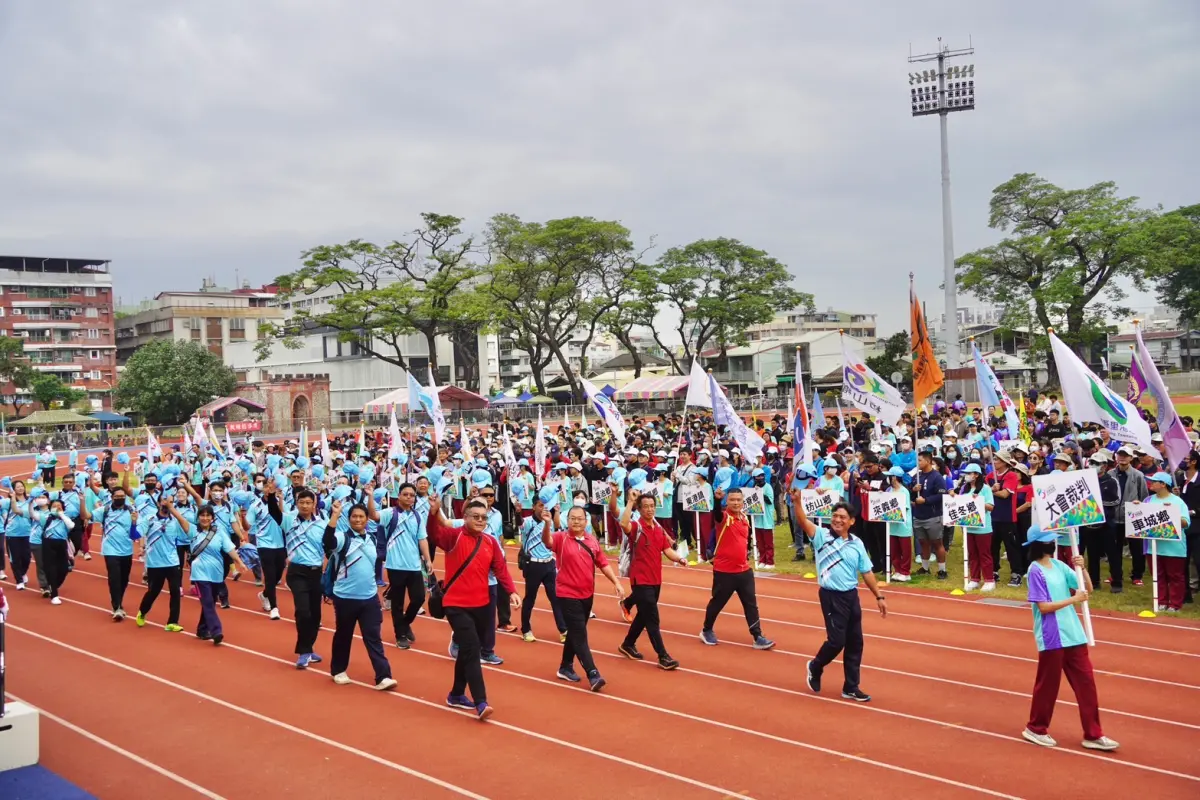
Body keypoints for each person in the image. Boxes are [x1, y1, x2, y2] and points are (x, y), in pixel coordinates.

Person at [1021, 526, 1119, 751]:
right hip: (1052, 635)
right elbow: (1044, 607)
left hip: (1074, 633)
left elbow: (1087, 589)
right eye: (1049, 541)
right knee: (1048, 685)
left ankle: (1094, 734)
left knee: (1087, 685)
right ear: (1040, 545)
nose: (1053, 543)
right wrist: (1073, 600)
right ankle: (1036, 728)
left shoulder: (1059, 565)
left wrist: (1082, 569)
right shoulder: (1035, 570)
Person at [426, 496, 520, 721]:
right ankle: (481, 701)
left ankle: (456, 694)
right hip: (455, 605)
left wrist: (513, 591)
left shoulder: (489, 542)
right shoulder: (453, 537)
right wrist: (433, 513)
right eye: (475, 517)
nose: (480, 520)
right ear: (465, 518)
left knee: (468, 651)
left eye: (483, 517)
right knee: (472, 648)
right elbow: (434, 534)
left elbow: (501, 569)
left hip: (481, 604)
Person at [790, 496, 886, 701]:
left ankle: (851, 686)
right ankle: (815, 666)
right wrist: (797, 503)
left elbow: (867, 572)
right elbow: (803, 522)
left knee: (855, 642)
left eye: (842, 517)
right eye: (834, 516)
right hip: (831, 596)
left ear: (852, 521)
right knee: (836, 641)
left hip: (851, 596)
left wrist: (879, 596)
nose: (837, 520)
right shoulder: (821, 536)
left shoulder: (857, 543)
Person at [543, 505, 626, 691]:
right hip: (567, 593)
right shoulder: (560, 538)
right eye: (572, 518)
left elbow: (603, 563)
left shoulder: (592, 541)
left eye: (580, 518)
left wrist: (616, 582)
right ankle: (593, 673)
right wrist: (547, 524)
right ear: (568, 520)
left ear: (586, 521)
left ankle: (565, 667)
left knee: (575, 631)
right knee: (580, 634)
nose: (576, 521)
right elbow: (547, 541)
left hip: (587, 594)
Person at [324, 499, 397, 690]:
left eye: (361, 516)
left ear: (367, 519)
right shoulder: (342, 538)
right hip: (345, 598)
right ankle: (338, 670)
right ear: (348, 519)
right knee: (344, 635)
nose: (358, 519)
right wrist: (334, 516)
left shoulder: (372, 539)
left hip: (370, 597)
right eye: (354, 516)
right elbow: (328, 541)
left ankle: (383, 676)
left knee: (373, 636)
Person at [698, 488, 776, 651]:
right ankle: (706, 630)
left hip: (744, 571)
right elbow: (717, 516)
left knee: (751, 604)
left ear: (743, 501)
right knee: (718, 602)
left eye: (738, 500)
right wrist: (717, 501)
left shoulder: (744, 518)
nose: (735, 503)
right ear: (727, 501)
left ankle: (757, 636)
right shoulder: (724, 517)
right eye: (732, 500)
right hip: (725, 571)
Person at [616, 489, 685, 670]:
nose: (649, 510)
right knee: (653, 619)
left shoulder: (658, 528)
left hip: (656, 580)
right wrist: (630, 502)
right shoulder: (636, 526)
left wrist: (679, 558)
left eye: (652, 506)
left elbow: (666, 550)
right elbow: (623, 524)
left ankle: (628, 644)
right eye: (645, 506)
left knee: (644, 615)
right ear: (639, 509)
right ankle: (663, 656)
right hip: (640, 580)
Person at [178, 505, 249, 646]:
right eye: (202, 515)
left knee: (210, 601)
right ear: (198, 517)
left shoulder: (220, 532)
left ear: (212, 518)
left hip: (216, 573)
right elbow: (180, 519)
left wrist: (240, 562)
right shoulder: (193, 531)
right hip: (199, 573)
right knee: (208, 602)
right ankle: (216, 630)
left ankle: (202, 629)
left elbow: (229, 548)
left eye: (208, 516)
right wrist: (169, 505)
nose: (205, 518)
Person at [378, 482, 431, 649]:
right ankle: (399, 635)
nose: (409, 497)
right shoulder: (389, 513)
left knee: (419, 598)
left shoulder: (417, 516)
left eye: (412, 495)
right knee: (398, 602)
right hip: (395, 565)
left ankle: (405, 623)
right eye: (405, 494)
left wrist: (428, 559)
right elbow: (373, 515)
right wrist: (372, 496)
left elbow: (422, 539)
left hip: (414, 565)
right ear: (399, 496)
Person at [518, 496, 567, 644]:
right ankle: (526, 630)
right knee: (530, 599)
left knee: (556, 598)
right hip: (533, 565)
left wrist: (556, 512)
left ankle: (563, 630)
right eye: (540, 505)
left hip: (549, 564)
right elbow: (519, 524)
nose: (543, 508)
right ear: (533, 507)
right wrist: (517, 512)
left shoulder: (549, 520)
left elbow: (558, 526)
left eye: (545, 506)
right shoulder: (528, 522)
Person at [134, 497, 187, 632]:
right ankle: (142, 611)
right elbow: (134, 535)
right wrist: (133, 523)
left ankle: (172, 622)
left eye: (170, 501)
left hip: (172, 562)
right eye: (164, 500)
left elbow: (187, 529)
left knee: (175, 592)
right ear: (158, 503)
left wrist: (174, 511)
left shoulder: (175, 521)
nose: (166, 503)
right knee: (153, 591)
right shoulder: (149, 519)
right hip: (155, 563)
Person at [1142, 471, 1191, 612]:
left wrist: (1170, 516)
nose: (1150, 483)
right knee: (1158, 575)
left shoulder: (1177, 501)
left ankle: (1175, 604)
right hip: (1154, 547)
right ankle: (1161, 601)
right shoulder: (1148, 500)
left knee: (1175, 576)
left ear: (1163, 484)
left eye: (1154, 481)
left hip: (1174, 548)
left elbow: (1185, 522)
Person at [94, 486, 138, 621]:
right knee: (114, 577)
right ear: (112, 497)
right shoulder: (105, 510)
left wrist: (135, 522)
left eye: (122, 496)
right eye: (117, 496)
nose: (120, 498)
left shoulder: (131, 511)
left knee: (124, 579)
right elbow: (87, 516)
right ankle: (117, 606)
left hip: (126, 550)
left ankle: (119, 600)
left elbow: (134, 535)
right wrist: (83, 501)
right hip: (110, 550)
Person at [912, 451, 947, 579]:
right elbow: (911, 493)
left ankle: (942, 570)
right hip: (918, 515)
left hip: (933, 515)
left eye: (920, 460)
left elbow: (942, 495)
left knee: (937, 543)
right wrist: (914, 490)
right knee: (923, 543)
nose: (918, 463)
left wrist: (926, 501)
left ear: (928, 461)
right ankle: (925, 568)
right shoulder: (917, 476)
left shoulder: (937, 477)